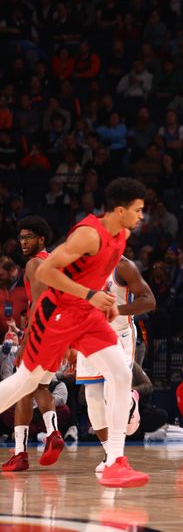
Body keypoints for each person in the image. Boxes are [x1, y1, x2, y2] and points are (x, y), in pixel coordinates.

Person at [0, 177, 149, 488]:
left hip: (88, 314)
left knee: (121, 375)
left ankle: (115, 461)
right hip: (57, 314)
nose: (141, 216)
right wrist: (89, 295)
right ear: (120, 210)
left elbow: (95, 277)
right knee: (25, 382)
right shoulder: (87, 234)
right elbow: (45, 271)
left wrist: (102, 302)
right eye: (138, 210)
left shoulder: (121, 234)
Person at [76, 255, 156, 473]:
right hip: (89, 335)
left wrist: (117, 310)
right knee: (92, 398)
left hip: (118, 334)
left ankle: (128, 404)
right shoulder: (80, 267)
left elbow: (150, 301)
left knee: (112, 394)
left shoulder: (122, 266)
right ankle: (109, 454)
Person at [3, 216, 63, 473]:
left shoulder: (34, 263)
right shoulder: (53, 263)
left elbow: (39, 303)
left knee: (22, 392)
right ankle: (52, 433)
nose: (23, 242)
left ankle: (21, 453)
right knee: (40, 386)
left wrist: (28, 337)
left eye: (29, 237)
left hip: (40, 333)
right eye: (21, 237)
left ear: (42, 238)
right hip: (57, 333)